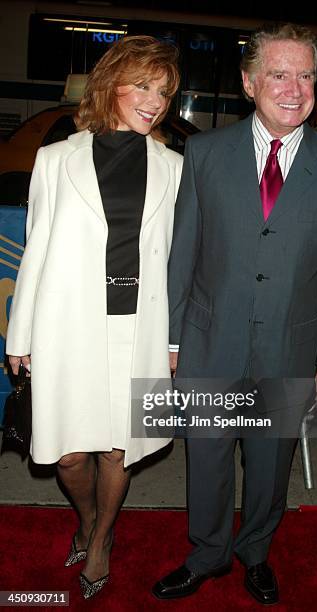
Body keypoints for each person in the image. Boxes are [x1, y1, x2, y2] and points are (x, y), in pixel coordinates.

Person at [153, 23, 317, 605]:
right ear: (249, 83)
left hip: (290, 349)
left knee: (270, 466)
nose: (293, 88)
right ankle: (207, 554)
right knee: (208, 459)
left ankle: (255, 552)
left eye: (306, 75)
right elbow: (182, 257)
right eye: (279, 73)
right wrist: (171, 339)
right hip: (209, 341)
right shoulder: (202, 153)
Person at [6, 35, 182, 599]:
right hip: (70, 327)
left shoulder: (175, 167)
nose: (155, 100)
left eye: (164, 91)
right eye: (144, 86)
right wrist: (22, 331)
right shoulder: (56, 159)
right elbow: (35, 248)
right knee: (70, 452)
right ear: (111, 85)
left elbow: (181, 263)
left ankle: (101, 538)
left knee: (118, 448)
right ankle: (85, 519)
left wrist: (176, 341)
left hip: (140, 329)